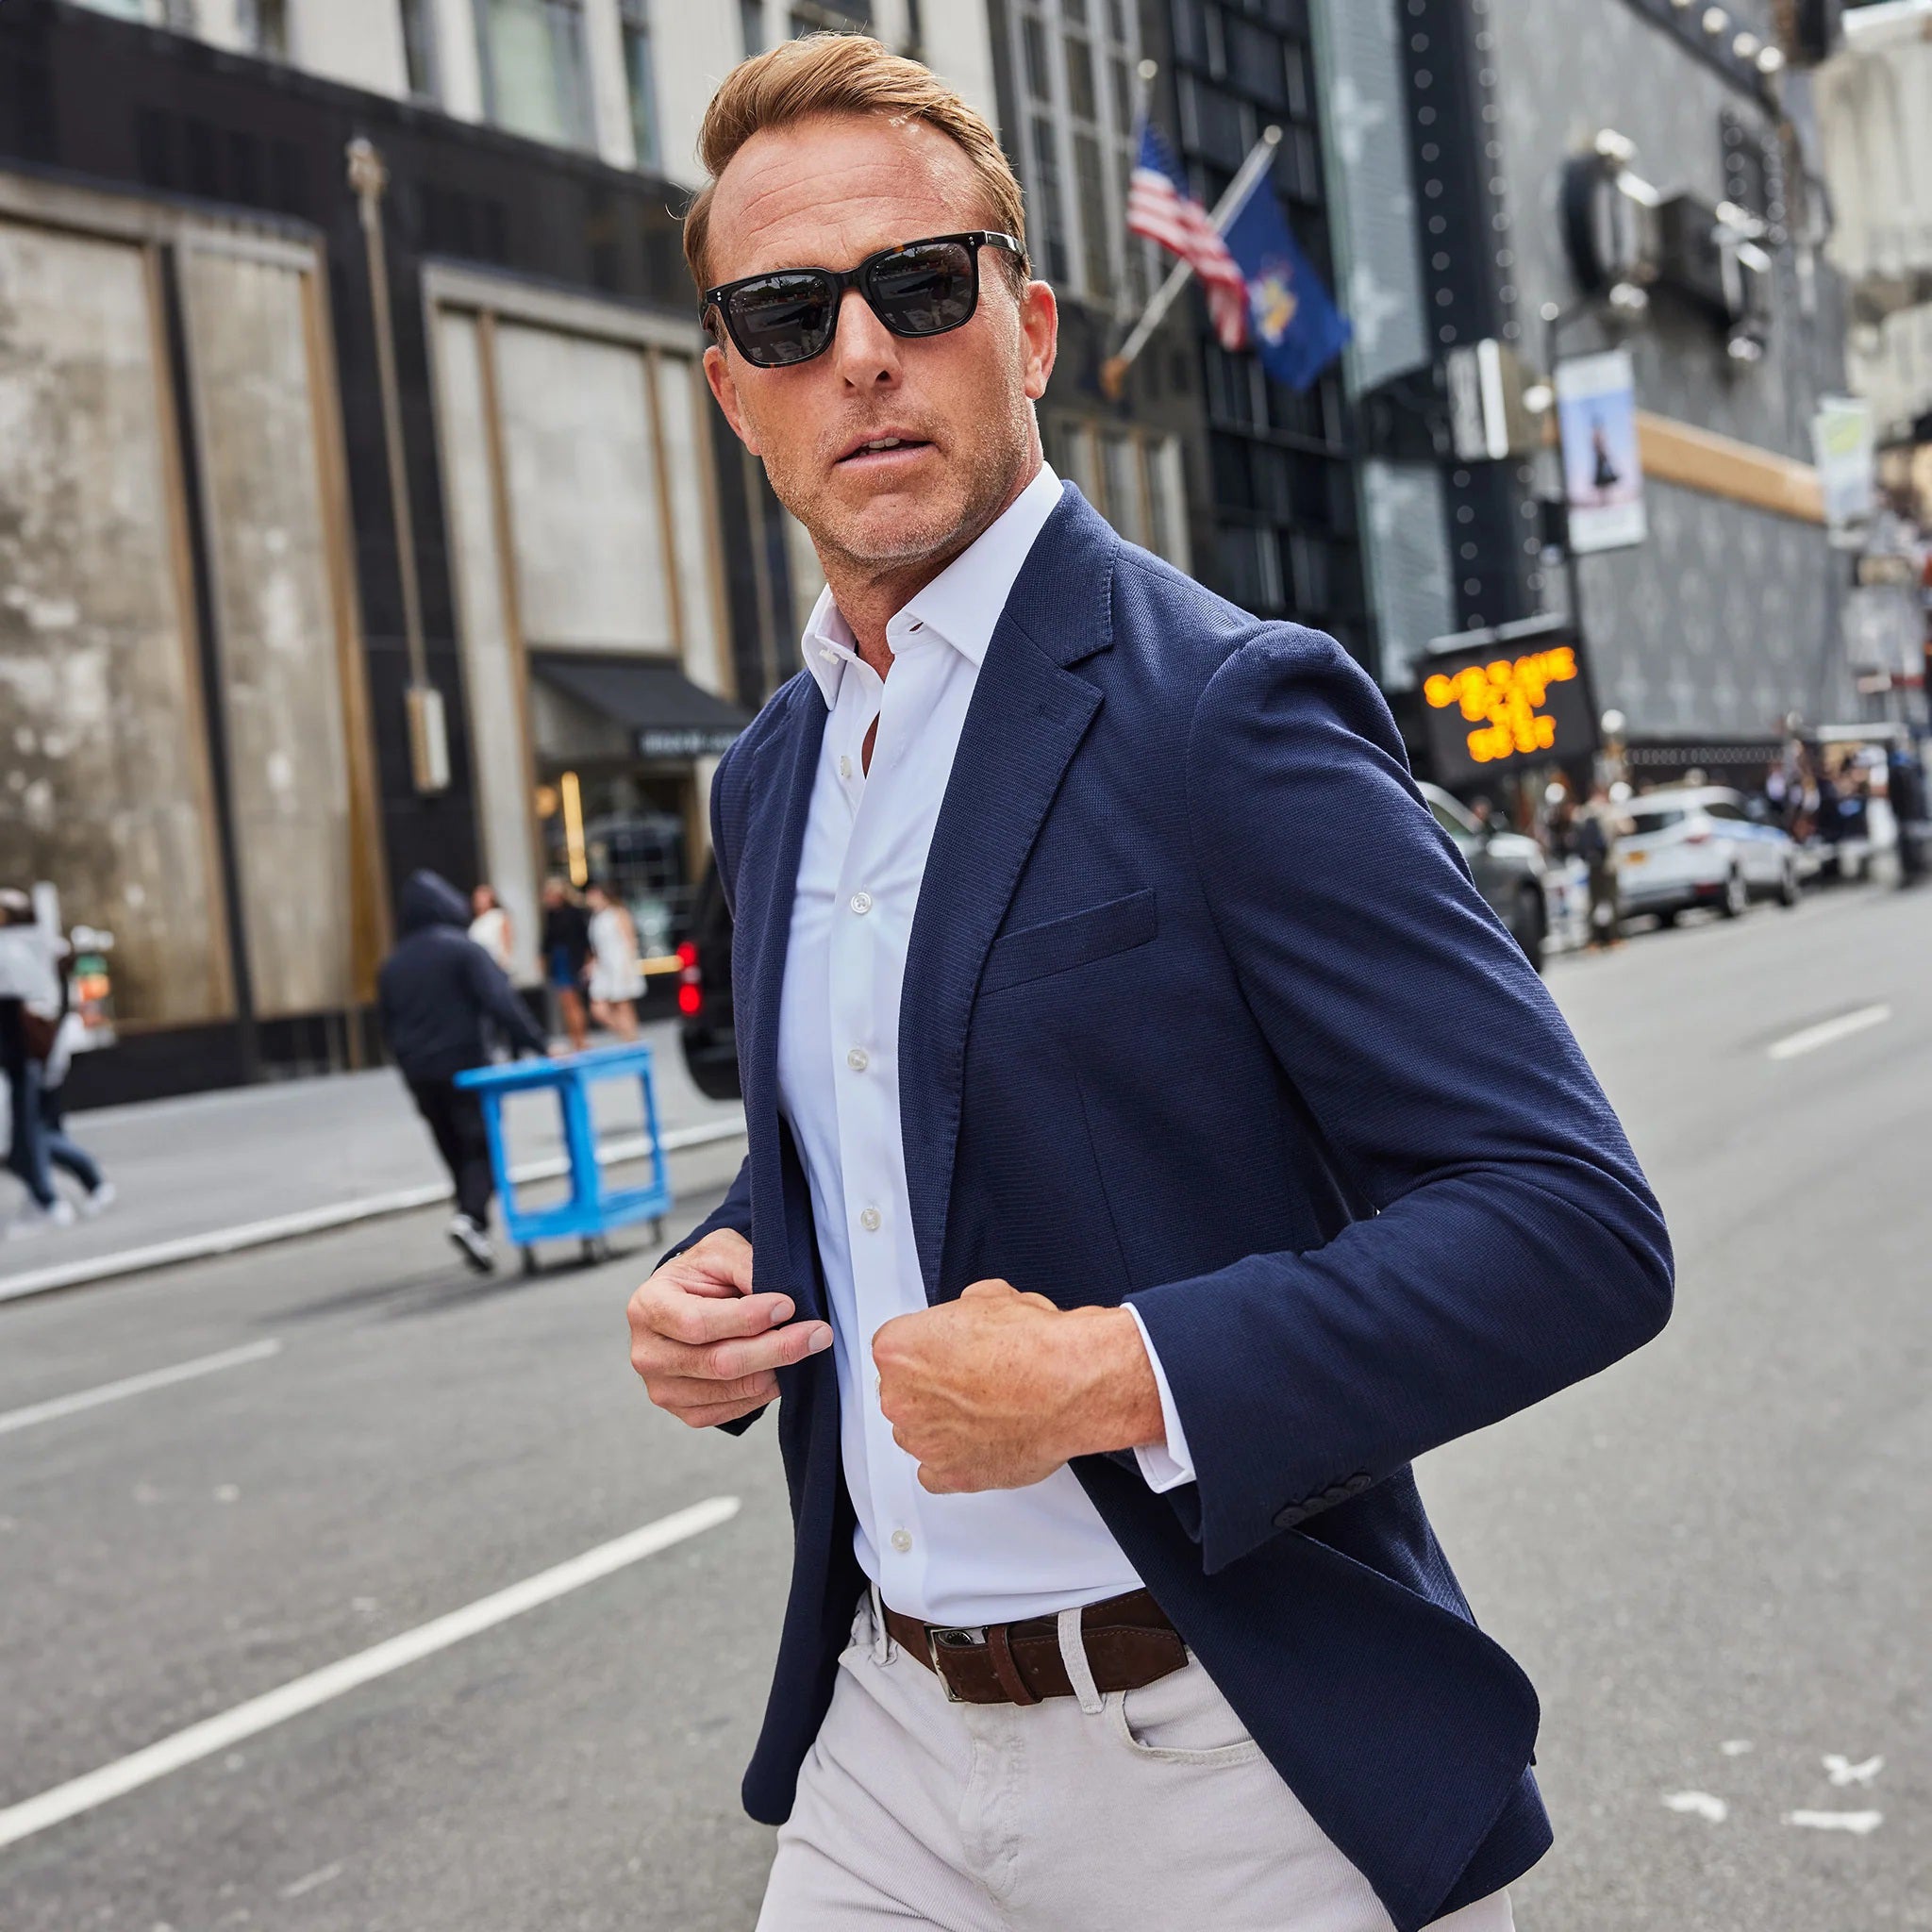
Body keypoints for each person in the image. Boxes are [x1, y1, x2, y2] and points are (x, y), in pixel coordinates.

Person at [624, 37, 1671, 1932]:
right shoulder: (774, 769)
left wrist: (1112, 1375)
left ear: (1025, 327)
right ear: (732, 390)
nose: (859, 352)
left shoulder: (1222, 709)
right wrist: (730, 1272)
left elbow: (1570, 1223)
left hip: (1224, 1756)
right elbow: (908, 1113)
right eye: (787, 313)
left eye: (916, 287)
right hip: (883, 1741)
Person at [376, 869, 548, 1273]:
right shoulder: (463, 950)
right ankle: (470, 1218)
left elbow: (387, 1027)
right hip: (466, 1066)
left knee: (452, 1147)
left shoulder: (392, 966)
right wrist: (538, 1045)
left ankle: (472, 1224)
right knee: (481, 1146)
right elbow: (501, 1002)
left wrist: (406, 1064)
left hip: (420, 1074)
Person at [0, 890, 109, 1233]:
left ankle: (57, 1196)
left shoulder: (20, 952)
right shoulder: (34, 949)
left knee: (30, 1136)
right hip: (31, 1059)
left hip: (30, 1059)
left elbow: (38, 1007)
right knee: (32, 1135)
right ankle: (56, 1195)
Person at [584, 879, 643, 1041]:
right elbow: (596, 946)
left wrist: (627, 966)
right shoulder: (595, 918)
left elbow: (630, 940)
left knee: (623, 1005)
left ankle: (631, 1039)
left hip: (619, 963)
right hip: (603, 966)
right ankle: (627, 1035)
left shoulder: (618, 913)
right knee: (598, 1009)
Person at [540, 877, 591, 1054]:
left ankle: (580, 1039)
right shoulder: (551, 914)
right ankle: (575, 1038)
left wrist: (587, 960)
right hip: (559, 960)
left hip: (571, 960)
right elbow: (547, 940)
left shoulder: (574, 913)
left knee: (573, 1001)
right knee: (567, 1003)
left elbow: (583, 939)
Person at [1574, 783, 1623, 948]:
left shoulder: (1583, 813)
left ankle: (1594, 939)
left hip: (1592, 864)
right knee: (1611, 900)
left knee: (1593, 902)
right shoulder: (1608, 811)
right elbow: (1627, 827)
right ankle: (1613, 936)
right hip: (1609, 864)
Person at [468, 883, 515, 974]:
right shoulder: (475, 922)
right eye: (477, 897)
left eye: (483, 897)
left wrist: (504, 962)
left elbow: (507, 941)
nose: (479, 900)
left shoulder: (498, 916)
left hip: (497, 965)